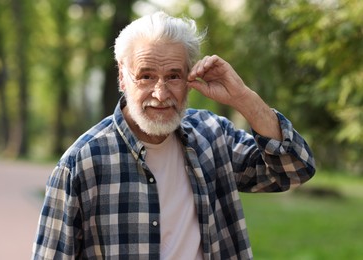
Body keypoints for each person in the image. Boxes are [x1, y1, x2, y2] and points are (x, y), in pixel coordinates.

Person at [32, 11, 315, 259]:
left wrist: (244, 98)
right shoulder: (81, 163)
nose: (160, 93)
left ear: (190, 79)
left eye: (173, 76)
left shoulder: (213, 136)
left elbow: (294, 169)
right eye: (146, 76)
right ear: (122, 76)